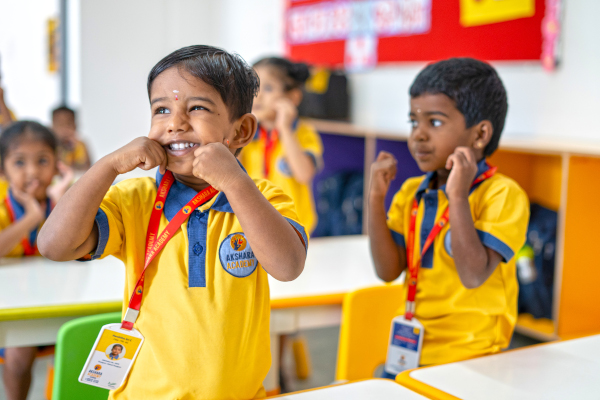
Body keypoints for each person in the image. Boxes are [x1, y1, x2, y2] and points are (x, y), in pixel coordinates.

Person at [38, 45, 308, 399]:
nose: (176, 123)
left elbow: (288, 266)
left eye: (196, 107)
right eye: (161, 109)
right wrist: (108, 167)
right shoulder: (135, 201)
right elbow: (53, 245)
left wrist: (234, 182)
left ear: (241, 131)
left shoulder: (263, 199)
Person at [368, 58, 529, 375]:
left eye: (435, 122)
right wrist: (375, 198)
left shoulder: (502, 195)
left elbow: (473, 275)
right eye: (414, 121)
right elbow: (387, 271)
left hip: (477, 353)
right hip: (415, 349)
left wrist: (457, 195)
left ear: (480, 134)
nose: (419, 135)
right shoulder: (413, 192)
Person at [0, 121, 72, 400]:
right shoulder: (4, 207)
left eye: (43, 161)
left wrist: (64, 195)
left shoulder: (63, 201)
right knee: (20, 353)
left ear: (57, 165)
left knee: (81, 343)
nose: (32, 172)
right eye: (19, 162)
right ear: (4, 169)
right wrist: (31, 217)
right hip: (16, 309)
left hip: (59, 301)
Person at [239, 57, 323, 234]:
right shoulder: (247, 134)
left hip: (294, 229)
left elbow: (304, 174)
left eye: (268, 88)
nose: (258, 95)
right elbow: (236, 174)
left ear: (293, 97)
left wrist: (284, 128)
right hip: (256, 225)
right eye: (253, 87)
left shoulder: (303, 132)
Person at [51, 105, 91, 171]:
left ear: (75, 126)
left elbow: (87, 168)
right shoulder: (50, 146)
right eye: (59, 125)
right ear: (52, 127)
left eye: (68, 124)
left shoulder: (80, 145)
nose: (64, 129)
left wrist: (73, 148)